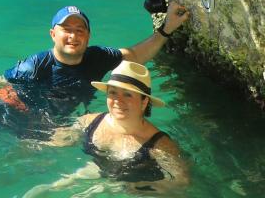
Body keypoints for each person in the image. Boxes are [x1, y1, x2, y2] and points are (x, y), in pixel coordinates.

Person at [0, 2, 190, 138]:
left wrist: (167, 28)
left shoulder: (98, 57)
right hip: (8, 113)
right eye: (66, 29)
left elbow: (135, 55)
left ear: (88, 35)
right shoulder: (35, 65)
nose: (73, 35)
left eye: (80, 30)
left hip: (49, 122)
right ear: (54, 34)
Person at [23, 61, 189, 196]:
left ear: (144, 101)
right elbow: (60, 137)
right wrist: (39, 149)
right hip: (95, 175)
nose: (118, 100)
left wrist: (139, 186)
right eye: (113, 92)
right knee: (42, 191)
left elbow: (182, 183)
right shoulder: (90, 121)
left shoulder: (159, 145)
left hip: (130, 193)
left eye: (128, 94)